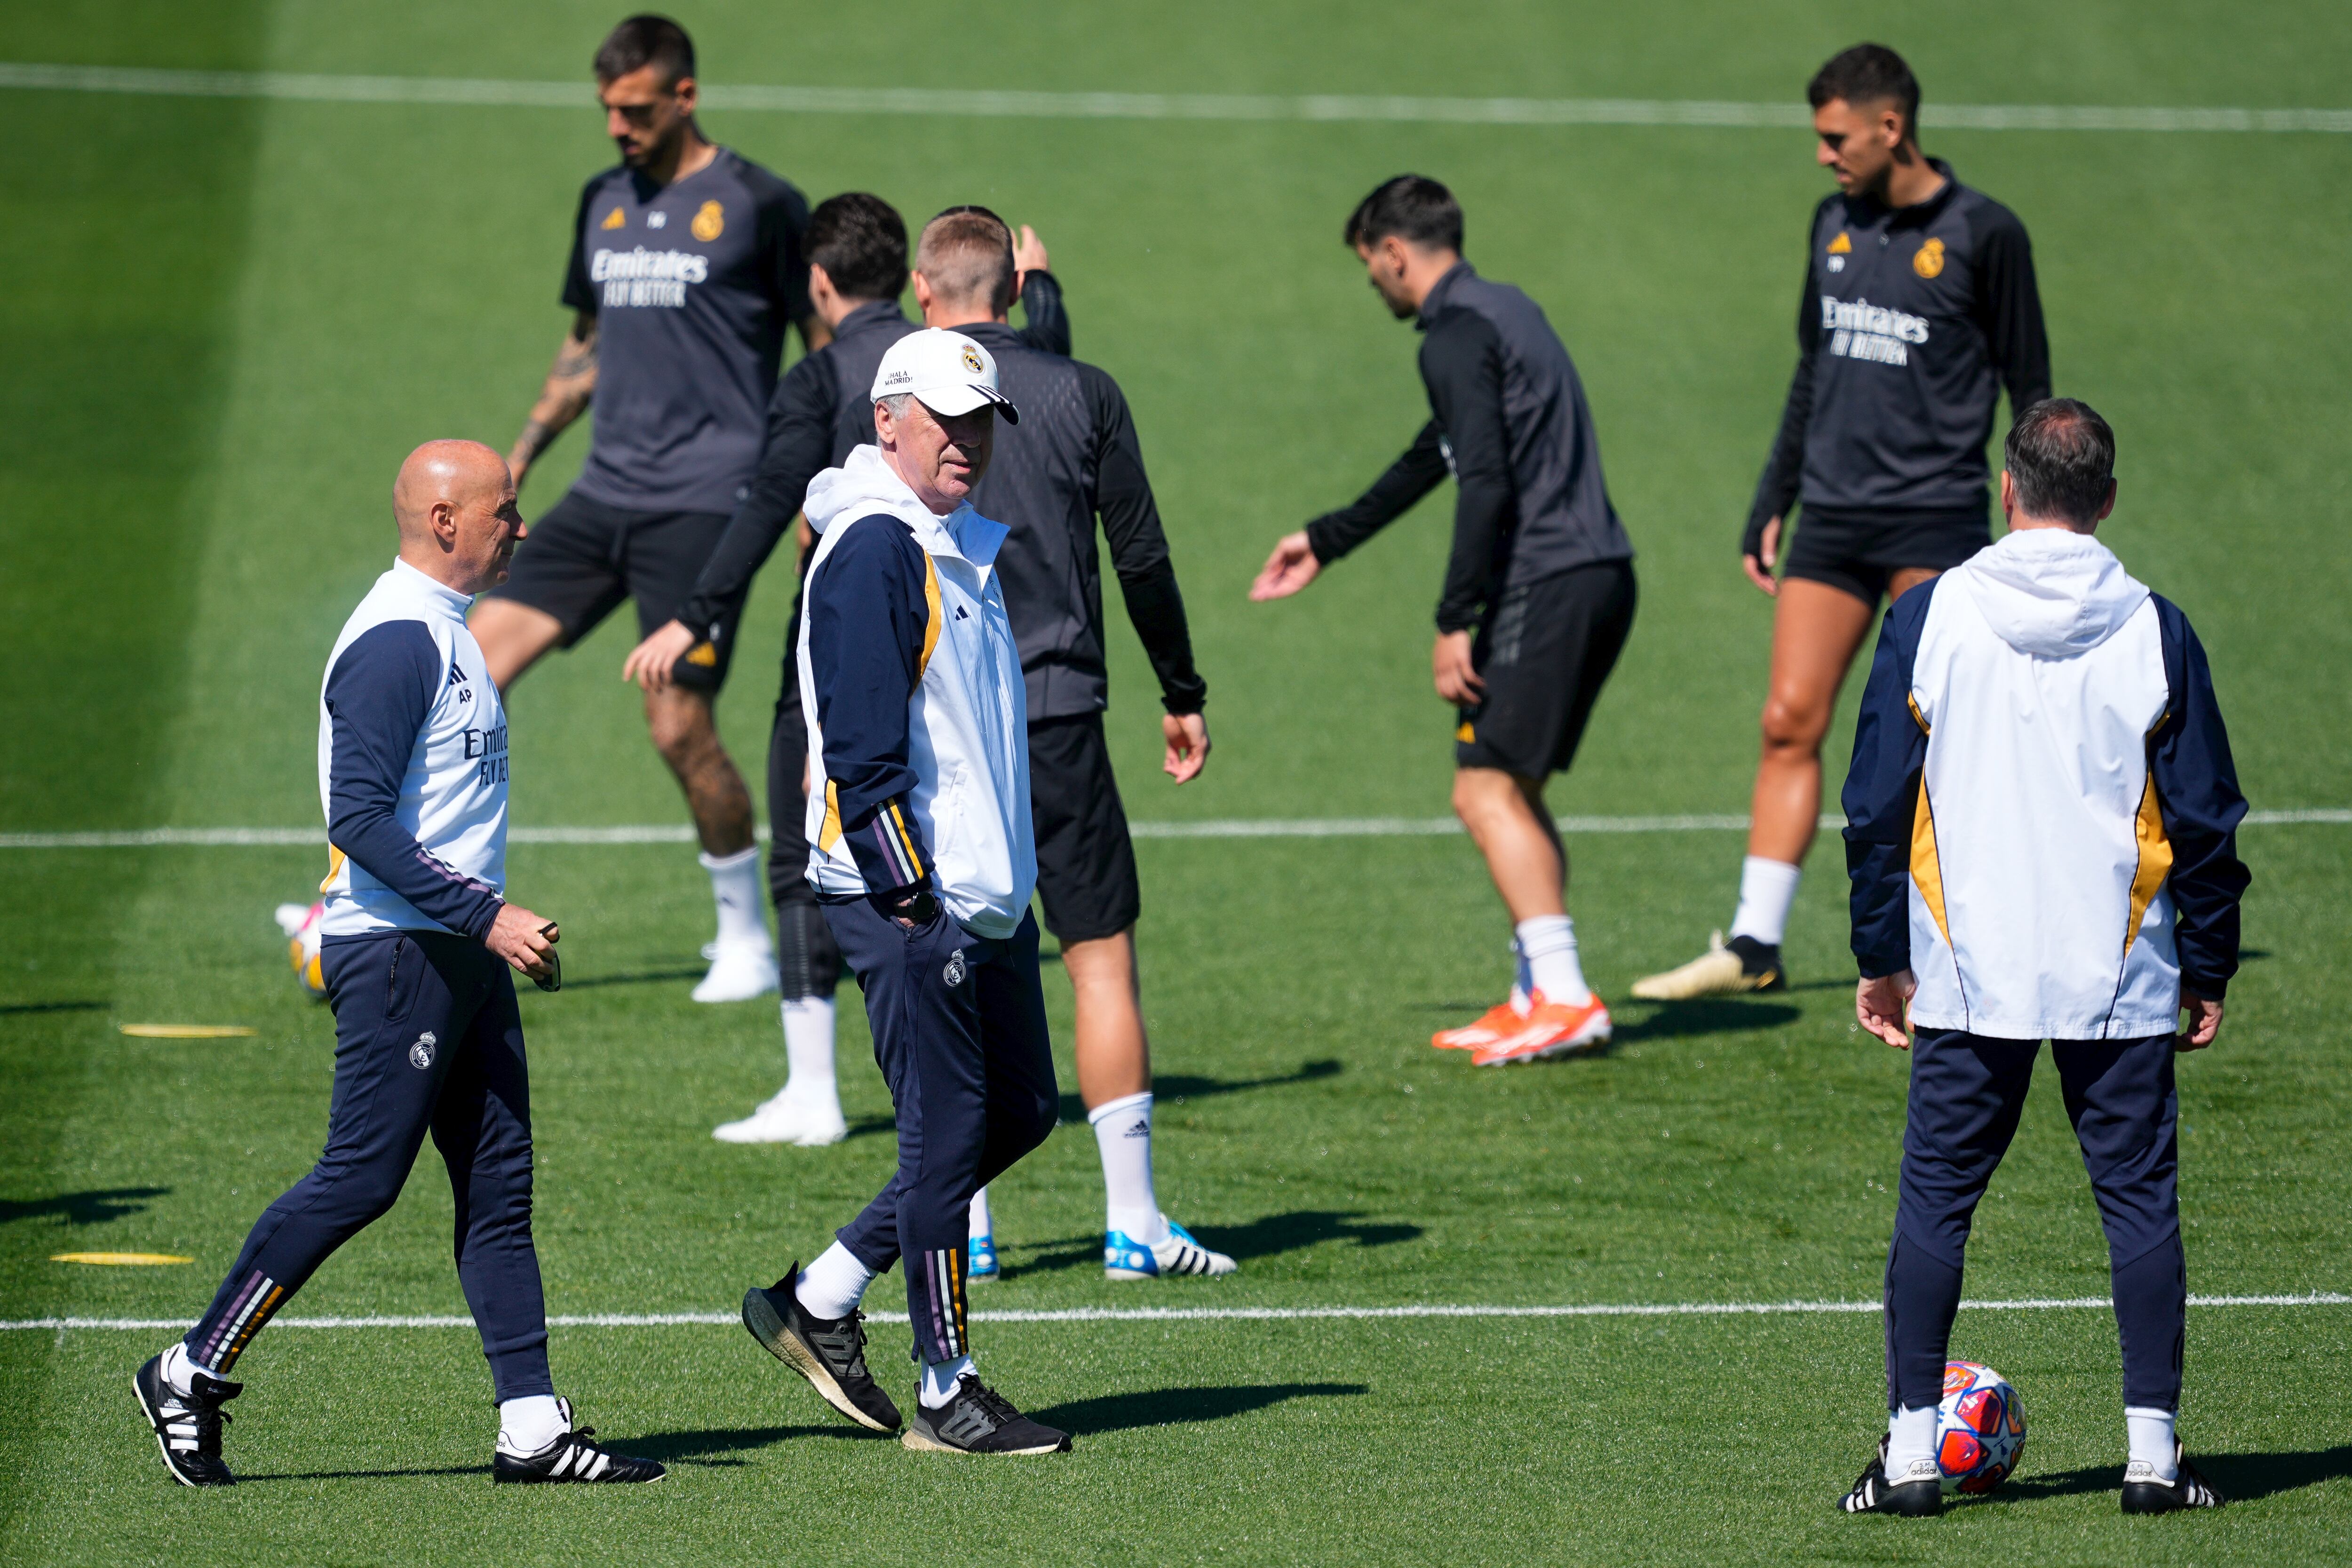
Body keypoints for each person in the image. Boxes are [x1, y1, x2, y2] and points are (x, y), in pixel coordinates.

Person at [132, 443, 662, 1488]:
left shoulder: (452, 631)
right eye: (506, 511)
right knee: (361, 1177)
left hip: (461, 952)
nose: (523, 525)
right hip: (400, 955)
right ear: (444, 518)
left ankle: (530, 1427)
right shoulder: (394, 642)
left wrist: (489, 930)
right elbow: (360, 822)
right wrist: (489, 914)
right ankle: (190, 1368)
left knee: (499, 1189)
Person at [1836, 400, 2243, 1516]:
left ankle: (1911, 1456)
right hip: (2120, 973)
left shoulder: (1929, 617)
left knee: (1934, 1205)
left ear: (2005, 487)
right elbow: (2205, 819)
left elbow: (1874, 804)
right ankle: (2152, 1460)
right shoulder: (2157, 627)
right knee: (2138, 1207)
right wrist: (2207, 961)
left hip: (1966, 972)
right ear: (2106, 497)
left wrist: (1881, 953)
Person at [623, 195, 1064, 1145]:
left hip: (831, 648)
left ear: (818, 284)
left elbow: (769, 499)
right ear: (905, 278)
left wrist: (694, 614)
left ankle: (812, 1088)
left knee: (809, 852)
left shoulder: (830, 375)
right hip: (939, 637)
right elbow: (1043, 364)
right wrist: (1044, 297)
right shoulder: (939, 356)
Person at [1636, 43, 2050, 1002]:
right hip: (1831, 516)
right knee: (1788, 719)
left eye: (1835, 137)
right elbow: (1812, 369)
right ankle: (1753, 941)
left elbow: (2031, 386)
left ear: (1889, 126)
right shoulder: (1833, 222)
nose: (1825, 155)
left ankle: (1965, 935)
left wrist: (2034, 523)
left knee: (1940, 733)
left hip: (1934, 522)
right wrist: (1770, 498)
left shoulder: (1988, 233)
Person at [737, 329, 1071, 1455]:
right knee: (944, 1137)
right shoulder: (879, 548)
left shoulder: (944, 541)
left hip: (981, 897)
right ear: (888, 419)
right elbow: (866, 755)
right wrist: (913, 904)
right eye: (945, 420)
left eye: (980, 424)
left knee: (1018, 1110)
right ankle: (947, 1388)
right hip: (907, 899)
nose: (968, 441)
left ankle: (820, 1296)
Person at [900, 206, 1228, 1280]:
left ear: (919, 287)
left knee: (964, 966)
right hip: (1058, 715)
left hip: (945, 729)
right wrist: (1180, 688)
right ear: (1013, 282)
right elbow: (1140, 556)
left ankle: (974, 1225)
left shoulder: (897, 400)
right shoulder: (1081, 390)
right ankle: (1132, 1220)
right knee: (1098, 961)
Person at [474, 14, 826, 1005]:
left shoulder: (761, 204)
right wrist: (521, 453)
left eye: (634, 111)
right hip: (603, 492)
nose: (617, 129)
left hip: (709, 503)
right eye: (606, 112)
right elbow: (586, 345)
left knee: (676, 725)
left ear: (684, 96)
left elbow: (822, 348)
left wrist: (816, 483)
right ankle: (418, 897)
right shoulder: (604, 200)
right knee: (464, 674)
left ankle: (745, 933)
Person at [1251, 175, 1637, 1067]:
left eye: (1370, 269)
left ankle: (1570, 996)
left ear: (1393, 252)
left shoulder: (1456, 335)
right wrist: (1328, 537)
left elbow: (1488, 481)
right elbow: (1443, 451)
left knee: (1484, 787)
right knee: (1514, 786)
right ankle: (1536, 993)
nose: (1374, 286)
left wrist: (1453, 618)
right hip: (1598, 572)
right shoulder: (1504, 312)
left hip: (1547, 578)